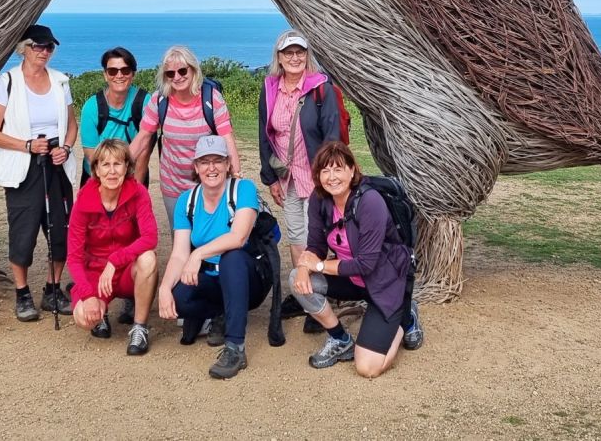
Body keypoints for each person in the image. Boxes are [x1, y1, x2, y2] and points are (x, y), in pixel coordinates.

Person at [292, 140, 424, 378]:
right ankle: (340, 339)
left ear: (352, 170)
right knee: (296, 280)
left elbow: (366, 264)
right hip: (351, 279)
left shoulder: (370, 201)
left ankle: (405, 317)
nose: (332, 177)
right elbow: (315, 246)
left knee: (367, 367)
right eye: (325, 170)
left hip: (384, 281)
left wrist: (319, 266)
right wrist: (303, 267)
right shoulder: (320, 200)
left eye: (338, 168)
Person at [0, 23, 78, 322]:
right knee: (23, 231)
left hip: (56, 164)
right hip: (23, 166)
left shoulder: (61, 82)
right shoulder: (8, 81)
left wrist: (67, 147)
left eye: (49, 47)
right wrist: (26, 145)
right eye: (38, 46)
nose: (44, 52)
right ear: (24, 48)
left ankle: (52, 289)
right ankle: (22, 293)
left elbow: (71, 124)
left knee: (61, 229)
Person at [157, 135, 266, 379]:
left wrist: (199, 254)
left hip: (249, 277)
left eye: (218, 161)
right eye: (204, 162)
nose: (212, 168)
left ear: (228, 164)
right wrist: (164, 288)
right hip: (212, 277)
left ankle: (235, 347)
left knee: (231, 257)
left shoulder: (243, 189)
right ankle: (220, 312)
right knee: (179, 299)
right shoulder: (187, 201)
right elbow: (178, 254)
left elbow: (238, 238)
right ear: (195, 167)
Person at [257, 30, 344, 320]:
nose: (294, 58)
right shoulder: (270, 88)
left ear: (307, 56)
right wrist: (270, 177)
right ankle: (303, 291)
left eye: (300, 52)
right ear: (279, 58)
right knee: (295, 235)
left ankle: (317, 297)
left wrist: (329, 177)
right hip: (286, 177)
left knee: (314, 236)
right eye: (288, 53)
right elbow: (264, 134)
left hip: (315, 177)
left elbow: (332, 136)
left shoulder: (321, 88)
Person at [67, 139, 159, 355]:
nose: (112, 171)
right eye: (105, 165)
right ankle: (101, 313)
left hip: (125, 268)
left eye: (117, 164)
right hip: (96, 273)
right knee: (84, 318)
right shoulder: (83, 201)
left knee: (148, 258)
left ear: (127, 167)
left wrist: (115, 260)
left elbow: (150, 237)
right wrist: (88, 295)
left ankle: (139, 327)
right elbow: (74, 256)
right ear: (96, 170)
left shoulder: (138, 193)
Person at [131, 45, 241, 206]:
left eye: (182, 71)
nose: (177, 77)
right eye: (170, 73)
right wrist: (118, 164)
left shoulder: (212, 98)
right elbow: (142, 137)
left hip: (209, 182)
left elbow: (227, 139)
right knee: (178, 231)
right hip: (172, 185)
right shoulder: (159, 100)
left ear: (193, 70)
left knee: (211, 231)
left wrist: (236, 177)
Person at [79, 47, 149, 185]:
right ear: (105, 75)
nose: (119, 75)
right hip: (97, 176)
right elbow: (91, 154)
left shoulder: (144, 102)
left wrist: (137, 189)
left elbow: (144, 150)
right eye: (112, 71)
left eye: (125, 70)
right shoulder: (92, 107)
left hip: (132, 174)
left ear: (133, 74)